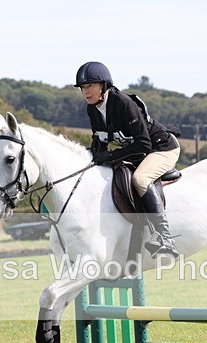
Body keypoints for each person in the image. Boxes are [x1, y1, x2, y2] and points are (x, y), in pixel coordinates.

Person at [75, 61, 181, 258]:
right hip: (139, 153)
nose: (85, 91)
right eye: (83, 87)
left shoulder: (123, 104)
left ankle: (165, 237)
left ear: (104, 85)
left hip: (161, 148)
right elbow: (99, 140)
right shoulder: (93, 109)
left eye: (89, 86)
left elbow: (143, 144)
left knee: (140, 179)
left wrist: (111, 156)